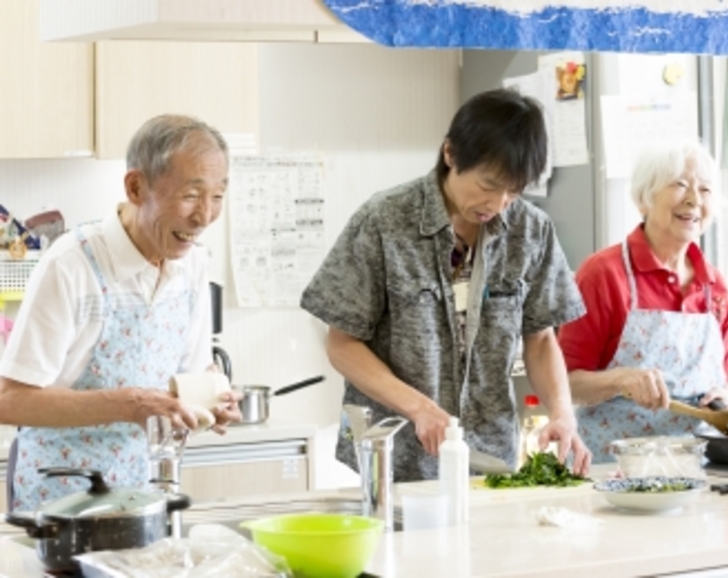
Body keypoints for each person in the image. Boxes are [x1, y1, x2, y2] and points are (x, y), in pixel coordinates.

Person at [301, 88, 591, 482]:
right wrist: (418, 408)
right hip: (395, 458)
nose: (499, 202)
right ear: (450, 154)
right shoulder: (385, 220)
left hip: (488, 457)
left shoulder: (531, 230)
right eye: (489, 185)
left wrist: (562, 413)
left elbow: (539, 339)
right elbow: (342, 344)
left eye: (514, 190)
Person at [0, 114, 242, 510]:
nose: (204, 216)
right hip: (61, 499)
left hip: (145, 493)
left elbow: (194, 370)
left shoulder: (194, 264)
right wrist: (131, 404)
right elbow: (10, 400)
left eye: (217, 196)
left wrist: (215, 398)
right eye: (190, 194)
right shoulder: (72, 265)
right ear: (135, 187)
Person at [557, 140, 728, 463]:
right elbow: (563, 384)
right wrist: (620, 380)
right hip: (609, 475)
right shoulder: (602, 275)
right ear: (644, 199)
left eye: (705, 189)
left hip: (696, 474)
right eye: (680, 184)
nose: (694, 200)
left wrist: (723, 397)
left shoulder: (716, 287)